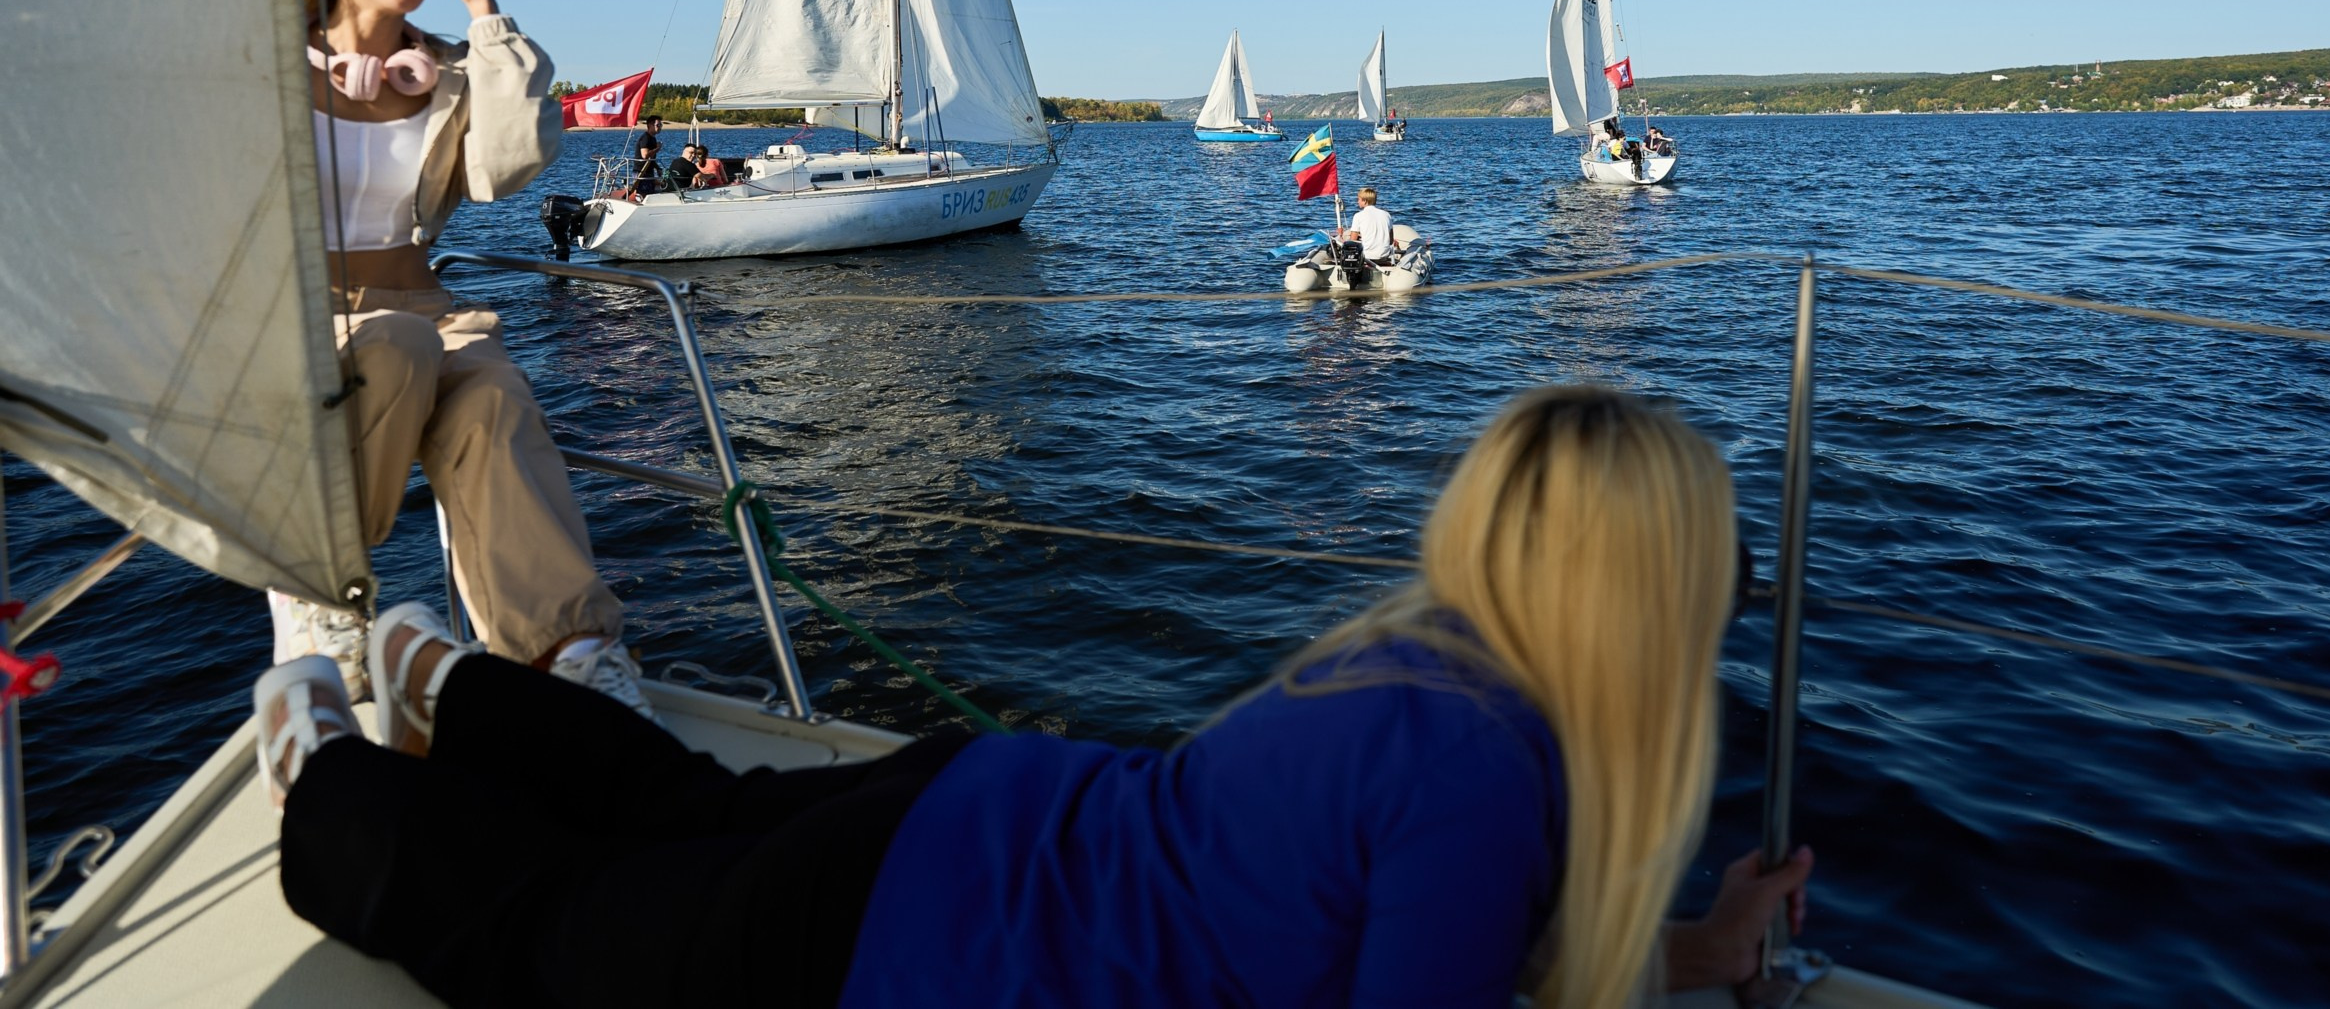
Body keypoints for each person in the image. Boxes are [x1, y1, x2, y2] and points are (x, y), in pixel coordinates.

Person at [252, 384, 1816, 1007]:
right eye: (1730, 574)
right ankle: (328, 772)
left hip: (970, 809)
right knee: (547, 943)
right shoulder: (1490, 762)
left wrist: (1686, 944)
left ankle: (451, 679)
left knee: (689, 809)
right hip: (918, 929)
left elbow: (1443, 922)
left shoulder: (1430, 662)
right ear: (1652, 593)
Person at [293, 0, 647, 716]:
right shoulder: (259, 61)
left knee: (494, 400)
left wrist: (482, 6)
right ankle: (323, 599)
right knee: (398, 350)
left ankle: (568, 656)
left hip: (422, 305)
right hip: (297, 316)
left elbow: (507, 167)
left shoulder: (451, 71)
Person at [1339, 185, 1396, 263]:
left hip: (1367, 256)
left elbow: (1353, 241)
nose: (1357, 201)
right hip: (1384, 255)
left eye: (1358, 199)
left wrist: (1342, 240)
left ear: (1365, 201)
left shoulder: (1358, 216)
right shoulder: (1387, 214)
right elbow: (1390, 241)